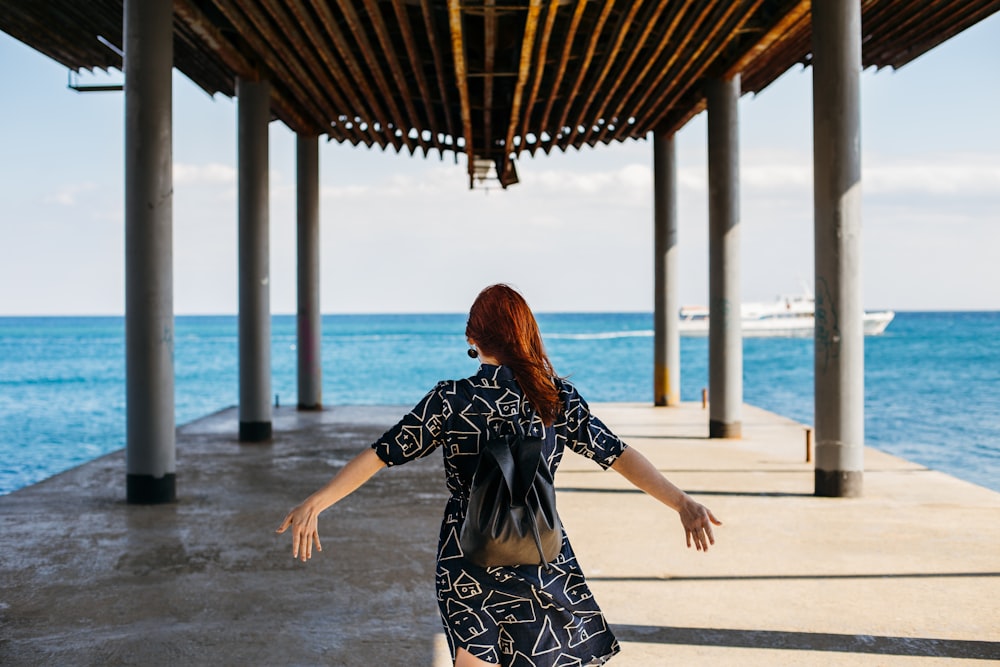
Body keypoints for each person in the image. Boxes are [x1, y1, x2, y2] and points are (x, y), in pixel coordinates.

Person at [277, 284, 722, 666]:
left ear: (473, 337)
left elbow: (382, 454)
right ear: (526, 333)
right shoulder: (555, 398)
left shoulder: (451, 399)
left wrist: (317, 501)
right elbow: (618, 454)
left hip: (466, 553)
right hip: (539, 548)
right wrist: (681, 502)